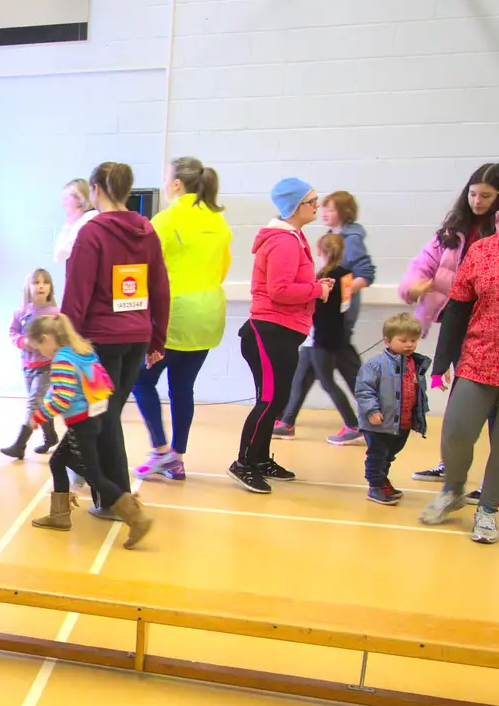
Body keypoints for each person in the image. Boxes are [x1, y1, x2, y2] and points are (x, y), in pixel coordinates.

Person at [419, 174, 499, 545]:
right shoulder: (483, 250)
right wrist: (443, 361)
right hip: (479, 360)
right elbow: (458, 308)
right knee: (457, 433)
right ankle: (453, 490)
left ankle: (488, 509)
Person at [61, 162, 170, 518]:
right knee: (107, 416)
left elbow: (77, 293)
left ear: (96, 189)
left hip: (100, 341)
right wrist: (157, 339)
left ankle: (117, 499)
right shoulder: (147, 230)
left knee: (103, 418)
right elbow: (160, 289)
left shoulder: (91, 233)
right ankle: (94, 481)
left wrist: (66, 342)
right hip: (136, 338)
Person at [399, 162, 499, 482]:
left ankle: (498, 478)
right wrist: (414, 285)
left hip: (496, 324)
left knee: (496, 403)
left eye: (486, 195)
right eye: (473, 194)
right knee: (462, 396)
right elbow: (422, 264)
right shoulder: (453, 229)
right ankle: (450, 464)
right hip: (460, 322)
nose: (477, 201)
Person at [229, 178, 336, 494]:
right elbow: (279, 290)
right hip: (268, 331)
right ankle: (244, 463)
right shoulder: (284, 241)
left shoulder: (295, 237)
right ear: (294, 206)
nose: (318, 205)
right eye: (312, 200)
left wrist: (316, 287)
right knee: (268, 399)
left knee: (278, 399)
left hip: (284, 331)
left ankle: (260, 459)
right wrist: (318, 289)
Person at [133, 156, 232, 481]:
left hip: (174, 316)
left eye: (166, 177)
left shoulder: (166, 219)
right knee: (183, 387)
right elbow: (223, 268)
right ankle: (177, 455)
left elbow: (144, 266)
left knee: (141, 381)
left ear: (177, 184)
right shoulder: (219, 222)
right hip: (209, 314)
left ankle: (160, 451)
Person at [26, 314, 154, 547]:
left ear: (46, 339)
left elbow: (62, 398)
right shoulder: (82, 350)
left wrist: (39, 416)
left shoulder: (62, 360)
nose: (40, 353)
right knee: (57, 461)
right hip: (91, 419)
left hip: (80, 424)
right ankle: (59, 515)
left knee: (95, 475)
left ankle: (136, 517)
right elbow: (93, 386)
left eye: (38, 347)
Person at [275, 190, 376, 445]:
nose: (323, 212)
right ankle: (287, 421)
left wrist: (338, 292)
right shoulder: (336, 249)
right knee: (303, 374)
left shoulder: (348, 244)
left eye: (329, 209)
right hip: (324, 329)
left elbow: (364, 274)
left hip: (328, 330)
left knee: (332, 378)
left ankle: (358, 423)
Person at [278, 233, 360, 443]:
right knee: (300, 379)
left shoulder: (319, 278)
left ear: (319, 252)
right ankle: (287, 423)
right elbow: (345, 307)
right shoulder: (348, 276)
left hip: (319, 338)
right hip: (332, 335)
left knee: (327, 382)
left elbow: (310, 305)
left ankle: (353, 425)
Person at [355, 313, 429, 506]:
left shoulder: (416, 364)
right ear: (387, 341)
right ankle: (375, 486)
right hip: (378, 423)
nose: (409, 345)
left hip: (401, 422)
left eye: (413, 340)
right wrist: (372, 411)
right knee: (377, 455)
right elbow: (364, 390)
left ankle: (383, 480)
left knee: (390, 454)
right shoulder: (376, 364)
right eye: (403, 340)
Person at [2, 268, 61, 459]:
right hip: (28, 365)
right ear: (28, 287)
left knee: (33, 404)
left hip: (47, 366)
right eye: (36, 282)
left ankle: (19, 445)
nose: (41, 286)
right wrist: (23, 342)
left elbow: (61, 337)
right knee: (39, 404)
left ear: (50, 287)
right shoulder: (21, 312)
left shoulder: (54, 313)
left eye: (45, 282)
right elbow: (13, 332)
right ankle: (50, 437)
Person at [54, 178, 99, 264]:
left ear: (79, 198)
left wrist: (68, 225)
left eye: (66, 199)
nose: (64, 204)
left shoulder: (85, 221)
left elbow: (60, 255)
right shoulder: (92, 217)